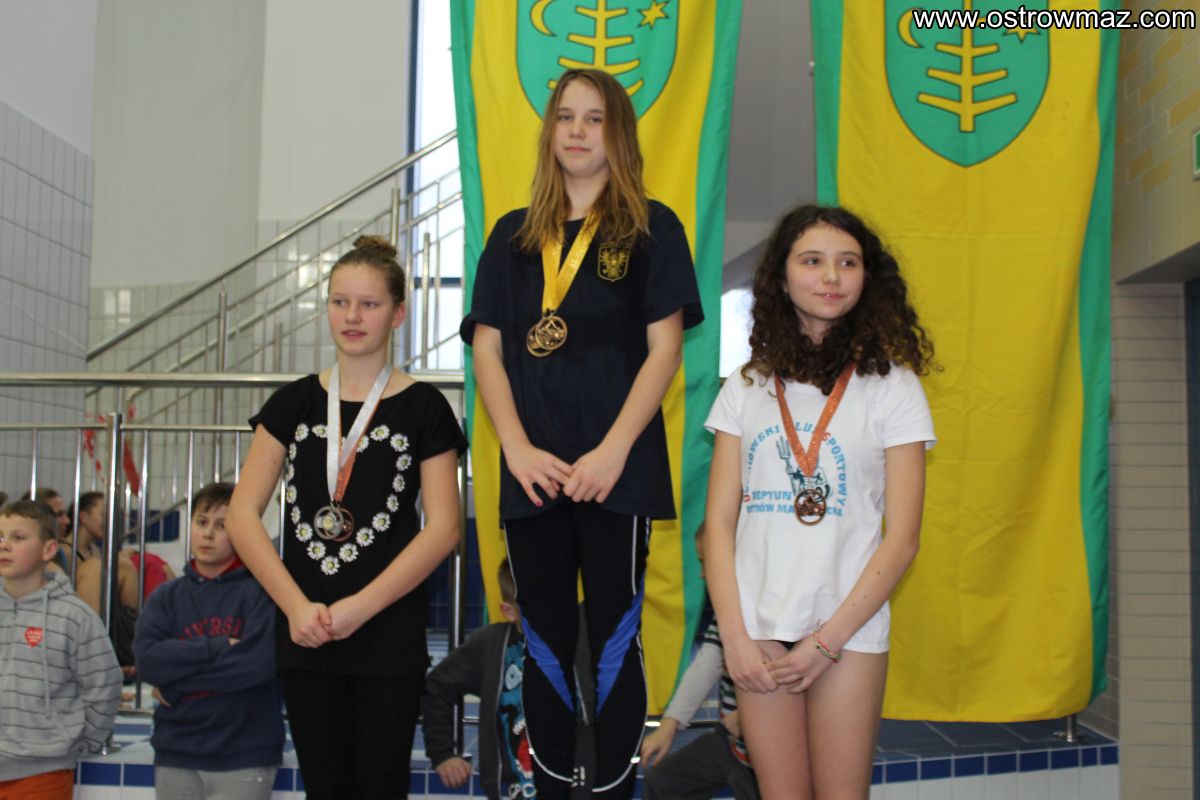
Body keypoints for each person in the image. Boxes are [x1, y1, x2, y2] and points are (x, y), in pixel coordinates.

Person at [461, 67, 703, 799]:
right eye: (565, 116)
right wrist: (517, 448)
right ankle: (555, 789)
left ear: (618, 133)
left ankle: (611, 792)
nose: (576, 130)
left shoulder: (653, 228)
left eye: (594, 118)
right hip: (532, 470)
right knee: (541, 642)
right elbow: (487, 351)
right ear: (550, 132)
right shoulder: (512, 236)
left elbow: (665, 351)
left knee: (615, 640)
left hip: (615, 472)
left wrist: (612, 452)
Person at [703, 205, 936, 799]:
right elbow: (719, 525)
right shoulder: (747, 386)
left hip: (846, 635)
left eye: (847, 263)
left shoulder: (894, 388)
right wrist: (735, 638)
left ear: (867, 279)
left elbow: (903, 538)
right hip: (758, 635)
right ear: (782, 279)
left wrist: (827, 641)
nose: (831, 276)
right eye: (812, 261)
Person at [228, 234, 466, 800]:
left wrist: (360, 607)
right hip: (306, 631)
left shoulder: (425, 408)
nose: (352, 316)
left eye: (369, 304)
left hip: (387, 632)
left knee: (381, 787)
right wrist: (294, 606)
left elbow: (444, 529)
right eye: (340, 302)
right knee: (326, 788)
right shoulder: (293, 403)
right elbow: (241, 516)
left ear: (398, 314)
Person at [134, 482, 283, 800]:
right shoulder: (166, 596)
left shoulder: (264, 592)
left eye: (222, 525)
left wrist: (174, 686)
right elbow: (148, 661)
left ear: (244, 532)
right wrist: (216, 647)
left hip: (244, 751)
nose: (208, 534)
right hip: (176, 749)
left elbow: (257, 665)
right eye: (202, 522)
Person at [0, 500, 122, 799]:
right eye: (0, 537)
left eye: (18, 537)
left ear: (49, 550)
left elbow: (104, 683)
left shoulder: (74, 616)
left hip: (41, 772)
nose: (5, 545)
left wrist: (78, 740)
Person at [639, 524, 758, 800]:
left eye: (706, 562)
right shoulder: (727, 610)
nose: (702, 573)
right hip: (729, 744)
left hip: (765, 746)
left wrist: (749, 717)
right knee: (663, 783)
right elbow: (708, 663)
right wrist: (669, 726)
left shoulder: (769, 609)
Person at [421, 559, 536, 800]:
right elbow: (437, 687)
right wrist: (442, 754)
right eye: (536, 607)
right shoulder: (492, 645)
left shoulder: (578, 645)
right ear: (509, 611)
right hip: (510, 789)